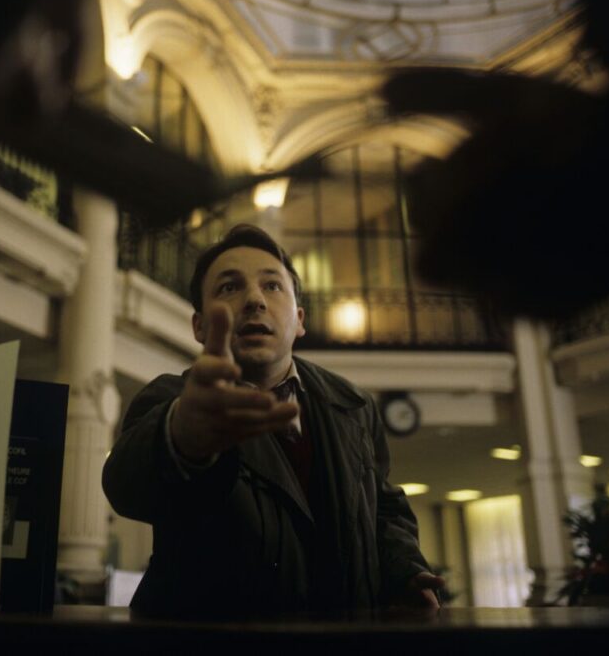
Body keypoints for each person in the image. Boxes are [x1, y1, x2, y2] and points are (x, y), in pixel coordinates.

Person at [102, 224, 443, 618]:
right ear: (199, 326)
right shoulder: (171, 400)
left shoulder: (353, 405)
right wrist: (181, 438)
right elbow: (126, 486)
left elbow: (381, 508)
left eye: (272, 286)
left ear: (299, 319)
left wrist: (403, 571)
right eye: (229, 287)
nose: (254, 300)